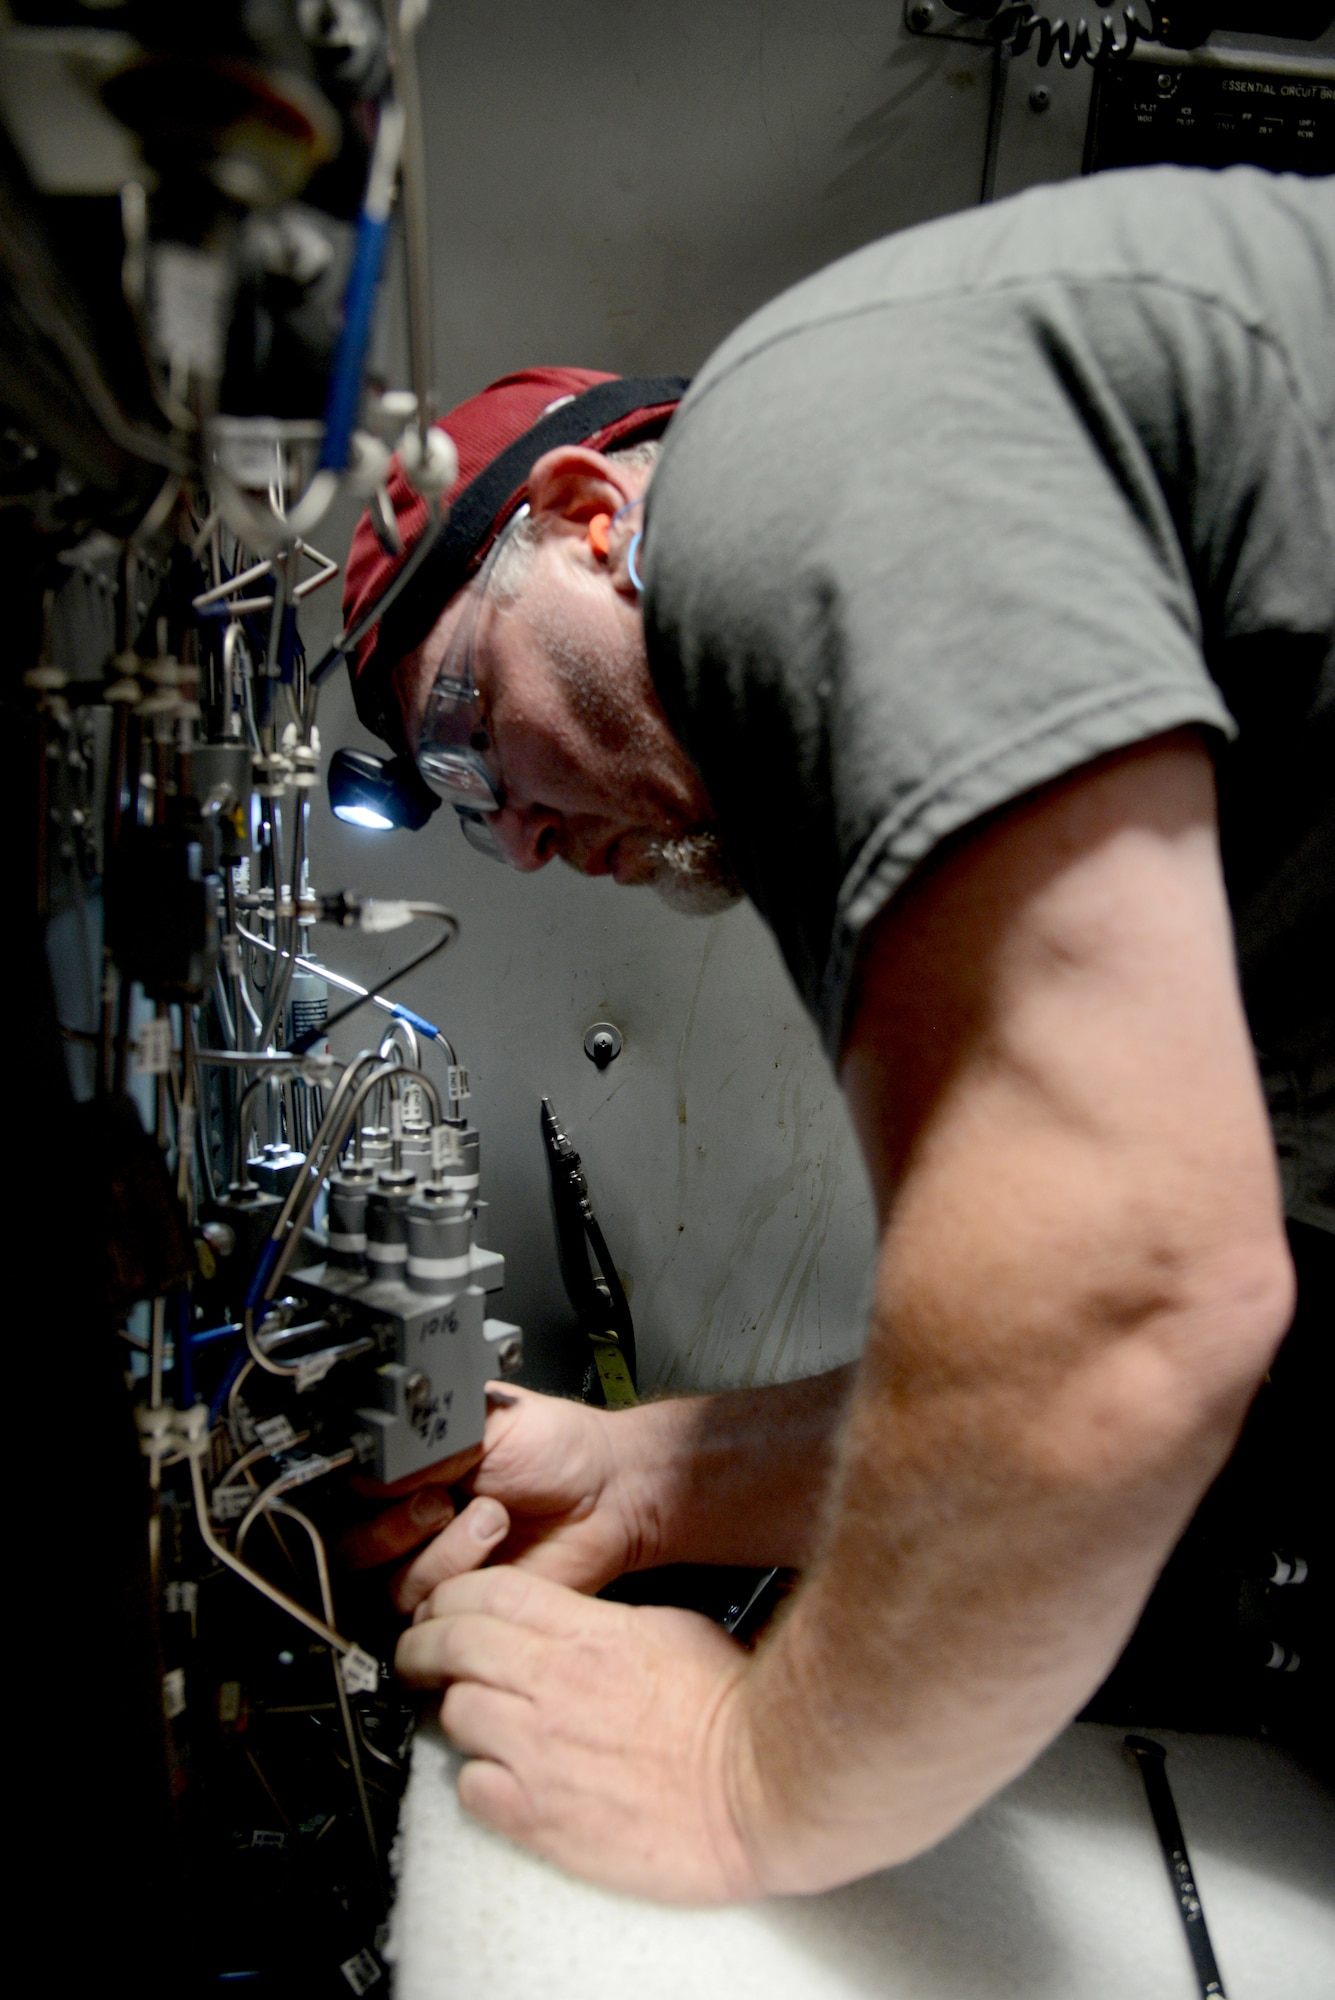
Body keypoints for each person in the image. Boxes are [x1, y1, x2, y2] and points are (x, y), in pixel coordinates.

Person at [338, 163, 1333, 1903]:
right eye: (446, 804)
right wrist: (643, 1477)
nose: (509, 836)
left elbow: (1125, 1311)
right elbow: (1225, 1362)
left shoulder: (782, 466)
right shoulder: (1035, 758)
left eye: (463, 730)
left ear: (588, 516)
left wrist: (747, 1778)